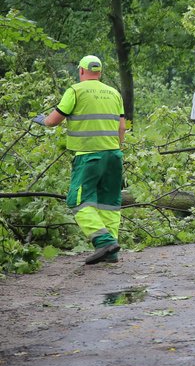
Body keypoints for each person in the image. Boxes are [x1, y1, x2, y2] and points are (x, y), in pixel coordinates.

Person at [33, 55, 126, 265]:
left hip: (88, 156)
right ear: (99, 72)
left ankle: (103, 241)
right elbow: (122, 127)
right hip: (113, 155)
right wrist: (117, 149)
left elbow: (54, 120)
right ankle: (111, 251)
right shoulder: (114, 93)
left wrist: (42, 121)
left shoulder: (75, 90)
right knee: (109, 203)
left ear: (81, 71)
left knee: (77, 200)